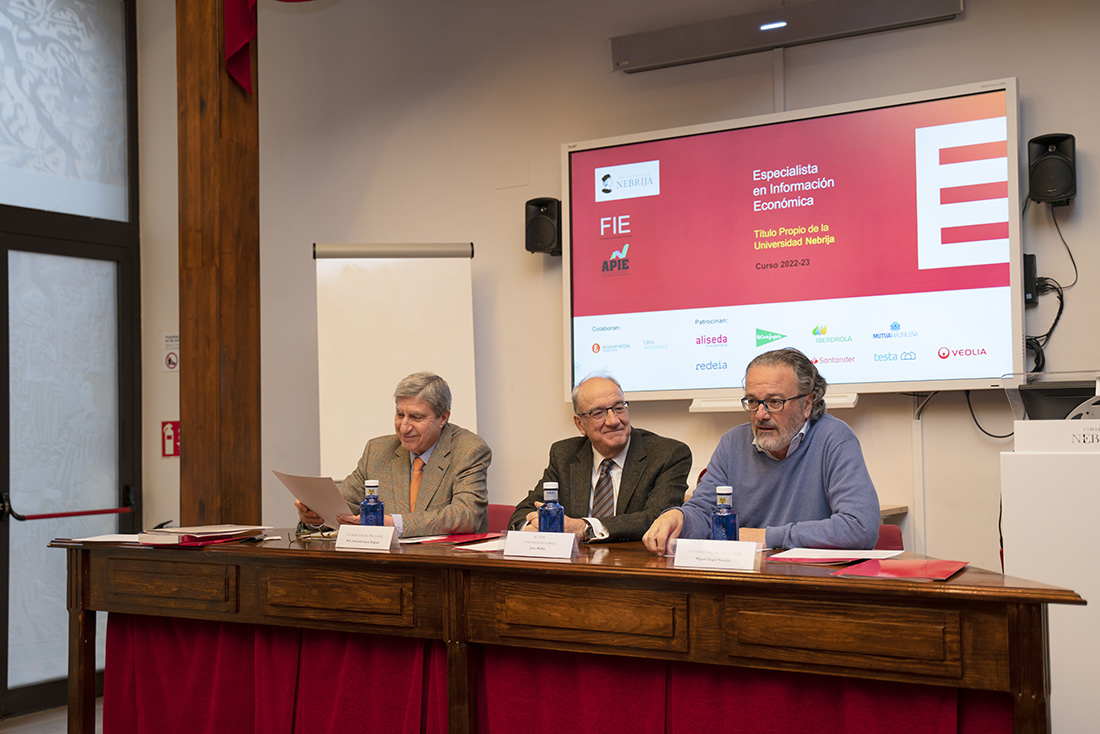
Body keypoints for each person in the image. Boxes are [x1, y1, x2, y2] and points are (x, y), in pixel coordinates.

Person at [643, 348, 879, 553]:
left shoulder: (834, 439)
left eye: (774, 402)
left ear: (807, 404)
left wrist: (768, 537)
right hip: (746, 576)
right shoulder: (733, 442)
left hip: (809, 580)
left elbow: (860, 527)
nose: (760, 414)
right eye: (753, 401)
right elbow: (705, 513)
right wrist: (679, 517)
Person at [295, 372, 491, 537]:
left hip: (444, 563)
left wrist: (395, 524)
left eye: (416, 417)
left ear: (443, 418)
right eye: (400, 415)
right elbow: (343, 507)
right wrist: (316, 516)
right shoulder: (378, 450)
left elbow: (466, 515)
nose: (404, 428)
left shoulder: (468, 450)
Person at [509, 375, 691, 542]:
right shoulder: (564, 454)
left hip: (635, 563)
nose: (613, 421)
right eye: (598, 413)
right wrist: (534, 527)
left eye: (619, 408)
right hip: (576, 562)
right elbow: (523, 512)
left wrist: (585, 528)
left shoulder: (668, 454)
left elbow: (658, 518)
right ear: (580, 424)